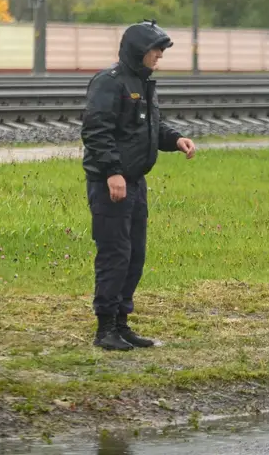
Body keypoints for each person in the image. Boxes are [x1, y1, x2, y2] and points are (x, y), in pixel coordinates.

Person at [81, 20, 197, 351]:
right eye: (155, 49)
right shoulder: (109, 83)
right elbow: (95, 131)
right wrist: (112, 172)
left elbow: (148, 128)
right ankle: (105, 329)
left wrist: (175, 139)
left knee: (134, 255)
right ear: (139, 51)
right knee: (114, 254)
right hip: (111, 184)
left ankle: (121, 323)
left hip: (135, 183)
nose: (159, 55)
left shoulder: (142, 84)